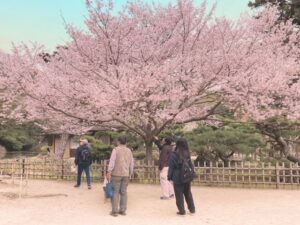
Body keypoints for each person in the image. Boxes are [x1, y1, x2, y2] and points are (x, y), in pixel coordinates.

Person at [106, 136, 134, 217]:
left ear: (118, 141)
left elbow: (112, 161)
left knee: (115, 192)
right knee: (124, 192)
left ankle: (114, 211)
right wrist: (130, 174)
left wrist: (109, 171)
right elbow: (131, 163)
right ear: (126, 142)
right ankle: (122, 210)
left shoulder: (115, 150)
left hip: (116, 174)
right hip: (126, 174)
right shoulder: (129, 151)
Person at [168, 138, 195, 215]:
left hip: (177, 177)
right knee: (188, 193)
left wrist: (169, 177)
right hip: (187, 176)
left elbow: (171, 167)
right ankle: (192, 209)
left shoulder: (174, 154)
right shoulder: (187, 153)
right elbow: (191, 165)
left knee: (179, 195)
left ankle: (182, 211)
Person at [154, 136, 174, 200]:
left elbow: (163, 158)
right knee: (168, 180)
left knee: (163, 180)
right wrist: (157, 140)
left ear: (165, 141)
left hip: (164, 166)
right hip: (169, 165)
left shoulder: (165, 148)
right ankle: (171, 193)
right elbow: (160, 147)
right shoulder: (170, 147)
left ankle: (166, 195)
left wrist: (160, 167)